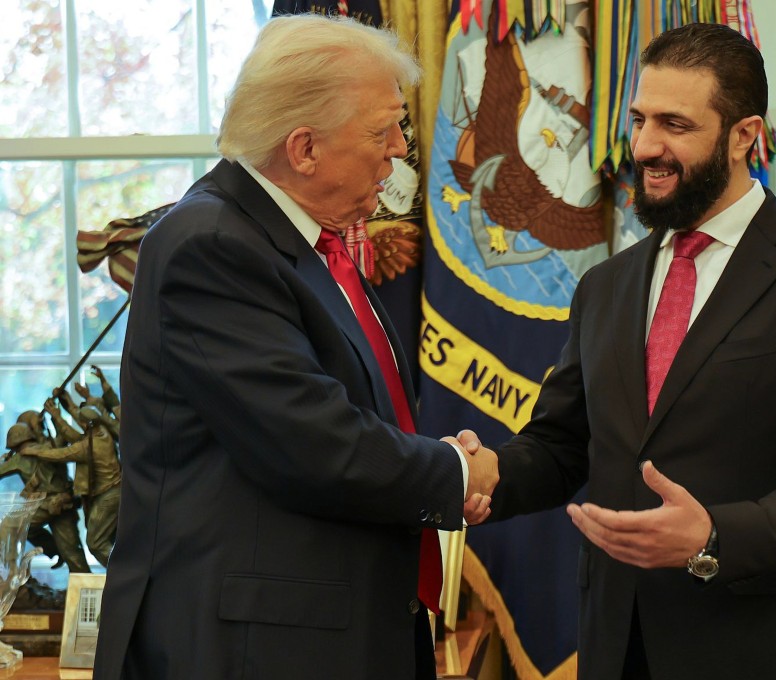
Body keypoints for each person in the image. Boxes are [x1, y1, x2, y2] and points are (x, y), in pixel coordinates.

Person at [459, 22, 776, 680]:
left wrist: (712, 535)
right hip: (615, 647)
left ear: (745, 135)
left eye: (675, 125)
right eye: (638, 121)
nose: (646, 147)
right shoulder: (606, 284)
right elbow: (561, 446)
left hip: (764, 652)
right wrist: (490, 474)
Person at [92, 14, 497, 680]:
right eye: (383, 129)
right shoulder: (212, 245)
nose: (400, 147)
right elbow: (313, 442)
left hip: (329, 636)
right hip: (253, 652)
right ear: (303, 148)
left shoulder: (310, 248)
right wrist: (455, 474)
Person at [23, 400, 121, 567]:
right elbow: (72, 429)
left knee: (96, 543)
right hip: (110, 493)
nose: (78, 423)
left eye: (80, 421)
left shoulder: (87, 447)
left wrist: (35, 451)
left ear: (86, 424)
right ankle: (125, 574)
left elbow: (60, 454)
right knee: (107, 538)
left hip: (108, 496)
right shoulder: (101, 432)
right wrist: (64, 402)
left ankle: (123, 574)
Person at [2, 422, 91, 573]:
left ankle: (11, 575)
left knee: (11, 527)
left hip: (43, 505)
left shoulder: (19, 459)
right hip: (65, 503)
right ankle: (85, 586)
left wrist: (4, 460)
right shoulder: (51, 447)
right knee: (71, 552)